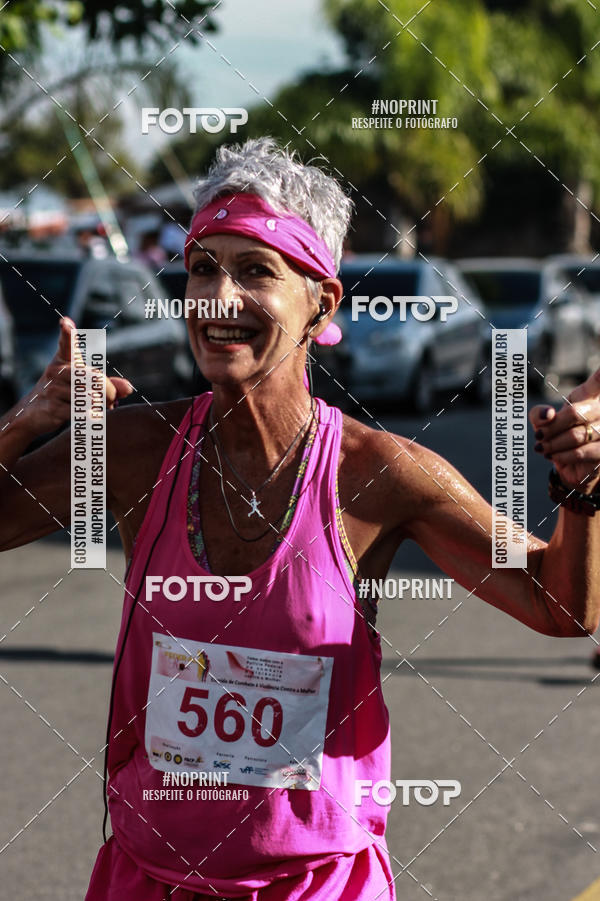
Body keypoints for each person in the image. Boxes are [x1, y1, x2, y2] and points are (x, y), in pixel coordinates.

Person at [1, 137, 600, 901]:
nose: (218, 298)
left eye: (255, 270)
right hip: (147, 877)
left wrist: (583, 488)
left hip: (316, 885)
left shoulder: (376, 472)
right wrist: (19, 426)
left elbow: (560, 604)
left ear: (322, 302)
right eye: (202, 267)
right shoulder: (135, 448)